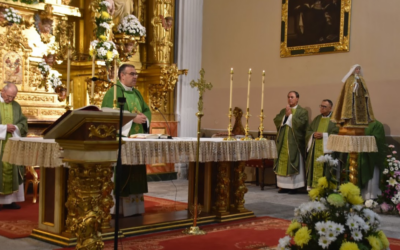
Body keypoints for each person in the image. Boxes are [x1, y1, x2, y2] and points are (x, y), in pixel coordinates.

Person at [101, 64, 151, 216]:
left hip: (137, 140)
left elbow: (146, 110)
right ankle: (119, 209)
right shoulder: (113, 92)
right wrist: (132, 119)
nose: (135, 76)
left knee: (136, 172)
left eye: (136, 74)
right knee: (122, 173)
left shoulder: (137, 93)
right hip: (122, 140)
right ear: (122, 76)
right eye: (132, 74)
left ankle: (134, 209)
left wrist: (144, 119)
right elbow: (109, 114)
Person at [273, 91, 308, 194]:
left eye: (292, 97)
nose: (290, 99)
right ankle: (283, 186)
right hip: (283, 141)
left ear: (297, 98)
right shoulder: (284, 110)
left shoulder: (302, 111)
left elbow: (302, 124)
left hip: (295, 142)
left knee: (294, 161)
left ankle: (294, 187)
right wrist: (286, 116)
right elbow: (277, 120)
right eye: (288, 97)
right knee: (282, 161)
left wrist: (291, 116)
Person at [0, 83, 28, 210]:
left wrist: (16, 128)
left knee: (12, 170)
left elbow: (23, 122)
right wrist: (4, 128)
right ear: (2, 91)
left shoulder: (16, 106)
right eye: (9, 96)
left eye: (13, 97)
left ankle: (9, 201)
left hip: (12, 143)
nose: (10, 99)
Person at [305, 99, 339, 190]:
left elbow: (337, 133)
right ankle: (314, 186)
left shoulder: (335, 120)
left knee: (327, 168)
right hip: (315, 148)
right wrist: (313, 134)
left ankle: (326, 188)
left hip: (327, 150)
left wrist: (324, 135)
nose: (322, 108)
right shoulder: (317, 119)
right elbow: (309, 131)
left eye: (324, 107)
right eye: (321, 106)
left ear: (330, 108)